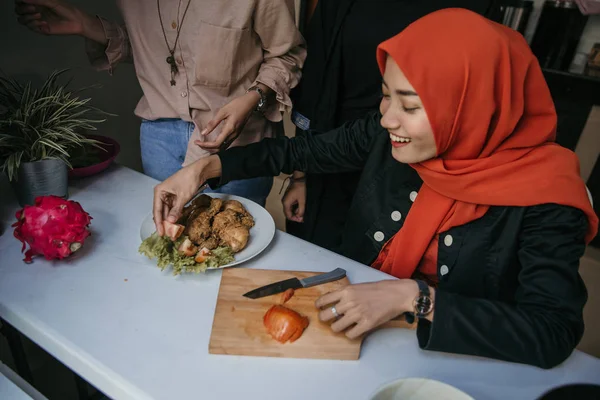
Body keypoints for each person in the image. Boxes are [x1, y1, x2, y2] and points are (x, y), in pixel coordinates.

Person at [152, 8, 598, 368]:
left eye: (410, 105)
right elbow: (301, 152)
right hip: (351, 337)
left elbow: (551, 332)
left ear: (472, 106)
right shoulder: (386, 135)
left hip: (442, 364)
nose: (387, 118)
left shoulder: (549, 199)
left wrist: (415, 297)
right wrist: (207, 167)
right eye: (386, 95)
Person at [15, 0, 306, 207]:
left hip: (236, 141)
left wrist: (253, 98)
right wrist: (83, 23)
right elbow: (151, 47)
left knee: (234, 245)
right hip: (158, 137)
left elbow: (287, 54)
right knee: (168, 242)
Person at [283, 0, 495, 251]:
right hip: (335, 148)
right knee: (317, 250)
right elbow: (315, 81)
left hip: (419, 166)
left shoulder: (477, 7)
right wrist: (300, 175)